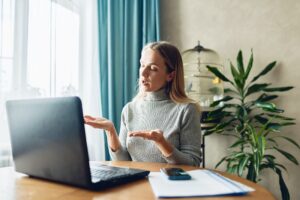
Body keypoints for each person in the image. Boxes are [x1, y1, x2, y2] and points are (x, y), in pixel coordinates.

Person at [84, 41, 202, 166]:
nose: (143, 73)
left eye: (152, 68)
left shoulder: (187, 110)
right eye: (142, 65)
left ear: (170, 75)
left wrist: (162, 143)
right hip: (136, 184)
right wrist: (110, 131)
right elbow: (124, 162)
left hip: (169, 185)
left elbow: (192, 164)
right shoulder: (129, 109)